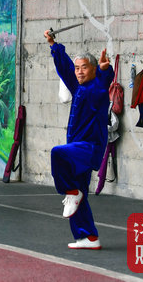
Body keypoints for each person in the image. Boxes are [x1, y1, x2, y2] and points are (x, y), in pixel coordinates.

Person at [45, 30, 112, 250]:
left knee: (58, 153)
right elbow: (65, 68)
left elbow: (104, 82)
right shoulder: (78, 87)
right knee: (80, 193)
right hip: (77, 147)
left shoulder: (97, 89)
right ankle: (88, 237)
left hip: (89, 147)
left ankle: (71, 191)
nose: (79, 71)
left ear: (93, 69)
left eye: (84, 67)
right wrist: (54, 46)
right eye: (77, 68)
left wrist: (105, 70)